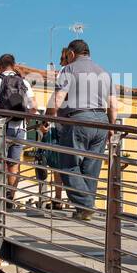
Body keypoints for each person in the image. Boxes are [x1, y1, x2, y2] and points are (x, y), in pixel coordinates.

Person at [47, 39, 116, 220]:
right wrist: (112, 127)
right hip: (102, 122)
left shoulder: (69, 70)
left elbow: (58, 97)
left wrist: (47, 117)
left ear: (71, 53)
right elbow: (113, 105)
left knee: (68, 164)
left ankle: (85, 206)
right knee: (91, 167)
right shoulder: (104, 73)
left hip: (79, 119)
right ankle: (83, 210)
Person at [0, 53, 35, 206]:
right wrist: (27, 119)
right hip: (19, 128)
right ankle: (10, 198)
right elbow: (34, 106)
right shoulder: (24, 82)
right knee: (14, 165)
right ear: (14, 65)